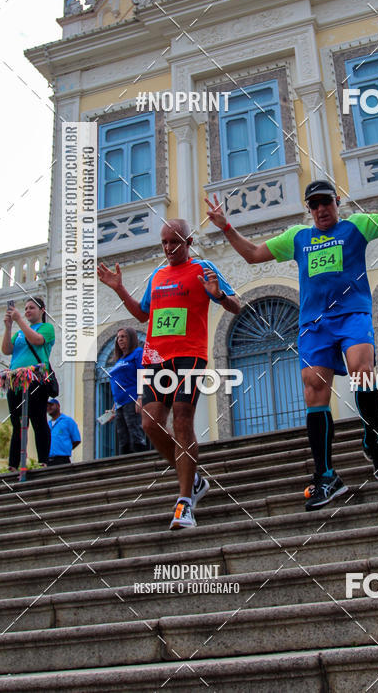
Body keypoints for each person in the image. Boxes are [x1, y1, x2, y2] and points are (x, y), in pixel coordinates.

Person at [205, 145, 378, 511]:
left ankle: (371, 437)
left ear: (336, 202)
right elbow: (252, 254)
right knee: (314, 390)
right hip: (314, 324)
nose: (321, 209)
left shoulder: (356, 226)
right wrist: (226, 227)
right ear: (308, 209)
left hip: (352, 314)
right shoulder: (297, 237)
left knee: (362, 367)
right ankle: (326, 476)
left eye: (326, 202)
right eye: (314, 205)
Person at [98, 218, 241, 530]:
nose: (168, 248)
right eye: (164, 242)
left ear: (188, 242)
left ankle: (185, 501)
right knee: (149, 424)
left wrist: (218, 295)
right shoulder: (158, 275)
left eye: (174, 242)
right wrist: (119, 288)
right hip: (155, 358)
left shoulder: (203, 268)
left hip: (189, 356)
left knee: (182, 419)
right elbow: (142, 314)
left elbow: (237, 306)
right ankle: (195, 480)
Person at [1, 297, 55, 471]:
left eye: (31, 307)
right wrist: (8, 327)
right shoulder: (18, 333)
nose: (27, 311)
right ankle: (13, 463)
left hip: (36, 378)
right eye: (25, 309)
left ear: (42, 310)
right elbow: (7, 350)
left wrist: (19, 320)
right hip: (16, 380)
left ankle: (43, 460)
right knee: (16, 422)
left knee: (38, 419)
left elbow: (37, 340)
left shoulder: (46, 328)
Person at [108, 328, 147, 455]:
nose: (120, 339)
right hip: (119, 404)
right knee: (123, 438)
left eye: (123, 336)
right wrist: (113, 408)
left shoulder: (137, 352)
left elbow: (143, 374)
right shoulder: (119, 361)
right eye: (118, 337)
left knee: (135, 433)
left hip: (132, 399)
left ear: (131, 338)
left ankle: (141, 462)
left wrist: (140, 397)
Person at [47, 399, 81, 465]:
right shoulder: (48, 424)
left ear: (58, 406)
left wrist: (65, 448)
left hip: (62, 459)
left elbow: (77, 440)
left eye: (51, 405)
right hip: (48, 460)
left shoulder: (68, 421)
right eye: (47, 406)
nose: (49, 407)